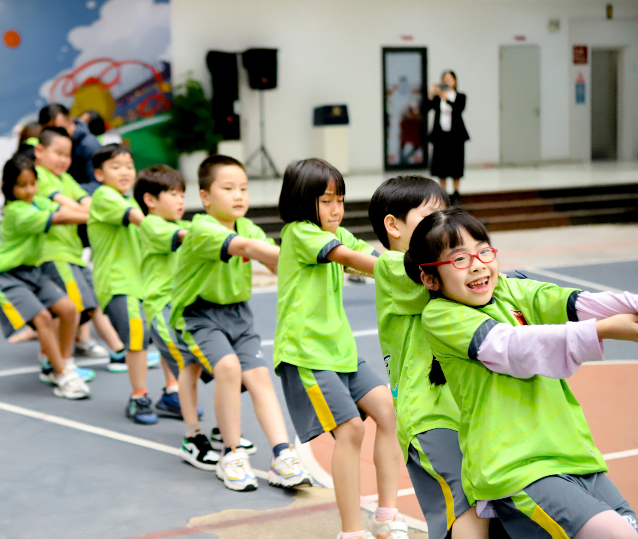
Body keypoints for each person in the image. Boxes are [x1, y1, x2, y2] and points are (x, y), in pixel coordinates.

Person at [405, 207, 638, 539]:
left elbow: (575, 302)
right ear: (430, 278)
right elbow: (515, 348)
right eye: (460, 259)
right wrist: (604, 330)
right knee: (618, 534)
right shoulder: (441, 316)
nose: (477, 265)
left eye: (483, 251)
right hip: (518, 467)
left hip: (573, 454)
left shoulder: (509, 289)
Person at [274, 159, 407, 539]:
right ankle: (351, 532)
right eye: (327, 200)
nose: (336, 209)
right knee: (350, 430)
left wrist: (408, 263)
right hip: (305, 353)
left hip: (340, 351)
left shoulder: (336, 232)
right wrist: (411, 270)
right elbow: (348, 258)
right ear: (303, 202)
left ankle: (386, 514)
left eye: (341, 200)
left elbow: (372, 258)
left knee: (387, 411)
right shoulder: (300, 233)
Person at [169, 154, 311, 492]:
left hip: (238, 315)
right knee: (229, 368)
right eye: (228, 188)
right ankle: (231, 455)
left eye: (244, 188)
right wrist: (318, 254)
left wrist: (319, 259)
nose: (238, 196)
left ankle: (282, 455)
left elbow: (275, 262)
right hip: (198, 315)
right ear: (205, 197)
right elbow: (248, 248)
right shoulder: (201, 228)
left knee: (259, 375)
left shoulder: (249, 226)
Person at [370, 176, 494, 539]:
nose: (443, 225)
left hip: (462, 409)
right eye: (429, 217)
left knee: (483, 503)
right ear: (393, 226)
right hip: (429, 413)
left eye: (446, 214)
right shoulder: (393, 266)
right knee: (467, 504)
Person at [0, 154, 90, 400]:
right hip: (5, 273)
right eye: (22, 185)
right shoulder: (16, 212)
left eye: (33, 183)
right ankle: (63, 376)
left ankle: (61, 362)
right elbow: (62, 217)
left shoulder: (38, 202)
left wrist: (95, 210)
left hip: (32, 270)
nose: (30, 190)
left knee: (69, 309)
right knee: (43, 318)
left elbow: (66, 209)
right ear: (8, 186)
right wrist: (103, 216)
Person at [134, 164, 217, 470]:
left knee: (214, 367)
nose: (180, 200)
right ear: (150, 200)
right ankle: (193, 436)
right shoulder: (151, 225)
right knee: (189, 364)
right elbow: (186, 236)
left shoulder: (184, 224)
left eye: (182, 194)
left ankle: (220, 429)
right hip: (162, 307)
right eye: (172, 194)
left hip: (186, 307)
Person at [33, 126, 127, 384]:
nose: (63, 159)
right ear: (39, 151)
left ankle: (115, 352)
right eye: (58, 153)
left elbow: (86, 202)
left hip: (72, 254)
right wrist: (103, 214)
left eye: (68, 155)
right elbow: (68, 210)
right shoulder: (39, 176)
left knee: (88, 305)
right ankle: (62, 363)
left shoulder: (66, 179)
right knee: (70, 308)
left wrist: (99, 209)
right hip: (53, 254)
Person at [88, 143, 161, 424]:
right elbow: (139, 220)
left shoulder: (128, 199)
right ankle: (138, 396)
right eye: (116, 167)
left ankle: (172, 392)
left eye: (129, 166)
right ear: (99, 174)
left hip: (141, 283)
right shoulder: (104, 196)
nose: (125, 172)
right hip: (118, 283)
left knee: (165, 334)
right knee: (137, 337)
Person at [425, 71, 469, 203]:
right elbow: (426, 108)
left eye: (450, 79)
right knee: (441, 165)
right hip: (440, 135)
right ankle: (443, 193)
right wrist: (431, 94)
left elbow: (459, 109)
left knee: (456, 164)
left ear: (455, 81)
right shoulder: (438, 97)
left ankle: (456, 192)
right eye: (445, 79)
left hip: (456, 136)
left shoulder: (460, 96)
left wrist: (447, 99)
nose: (447, 82)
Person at [39, 103, 102, 195]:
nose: (56, 135)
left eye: (60, 129)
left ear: (71, 121)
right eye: (50, 132)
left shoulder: (89, 145)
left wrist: (68, 191)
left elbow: (99, 183)